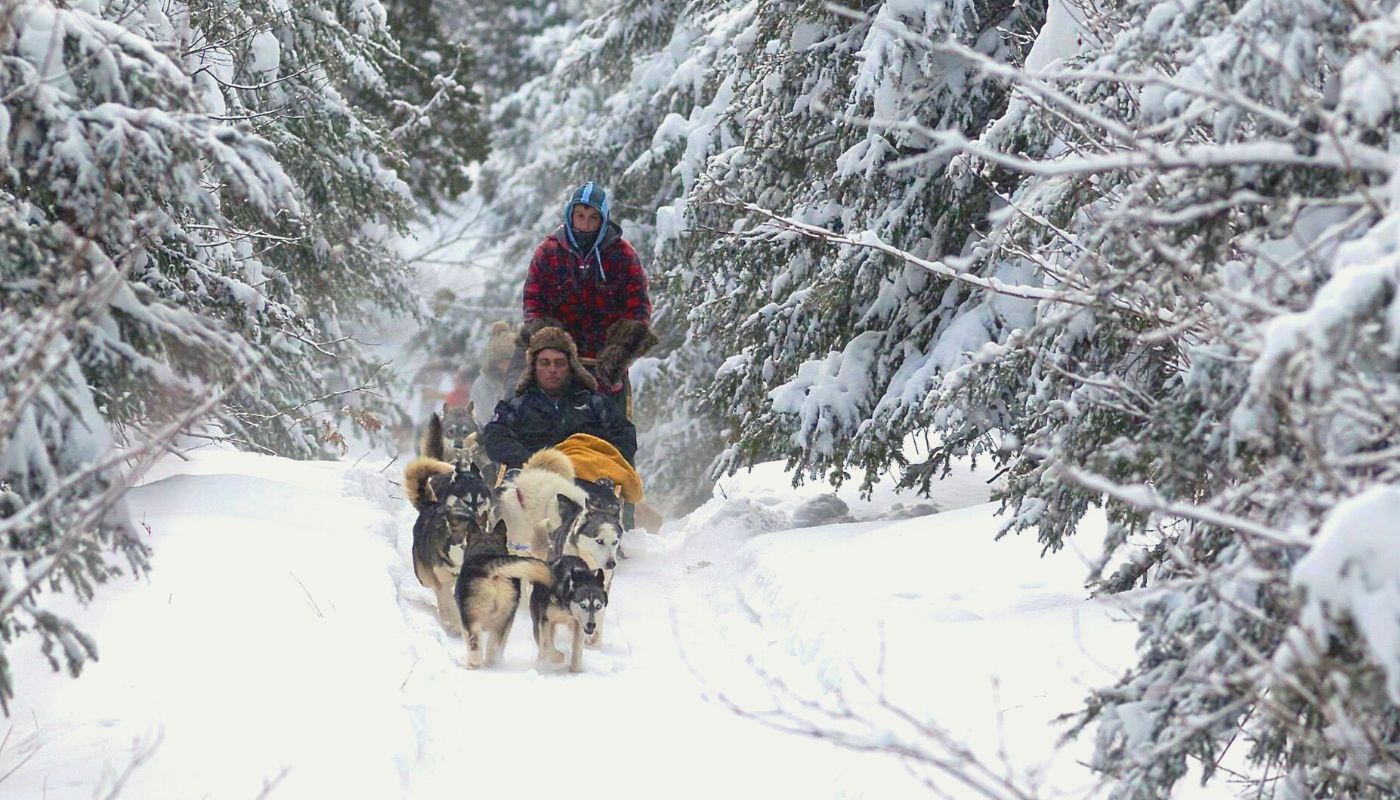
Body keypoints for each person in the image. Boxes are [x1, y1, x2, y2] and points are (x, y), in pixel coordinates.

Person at [519, 182, 658, 417]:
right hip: (559, 366)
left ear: (603, 220)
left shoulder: (623, 255)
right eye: (580, 216)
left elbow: (638, 307)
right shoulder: (548, 252)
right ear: (570, 215)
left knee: (613, 436)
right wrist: (549, 341)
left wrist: (620, 350)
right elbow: (533, 302)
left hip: (606, 366)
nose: (584, 224)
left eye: (592, 218)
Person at [482, 326, 637, 473]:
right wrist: (530, 460)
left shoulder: (595, 404)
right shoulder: (516, 406)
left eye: (559, 363)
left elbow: (624, 436)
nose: (552, 370)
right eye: (545, 363)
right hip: (531, 481)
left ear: (571, 366)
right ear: (533, 367)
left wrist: (599, 461)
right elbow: (494, 436)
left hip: (588, 481)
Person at [469, 321, 518, 426]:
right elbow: (479, 418)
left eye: (510, 360)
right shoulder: (482, 385)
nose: (506, 365)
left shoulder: (527, 381)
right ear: (494, 363)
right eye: (501, 361)